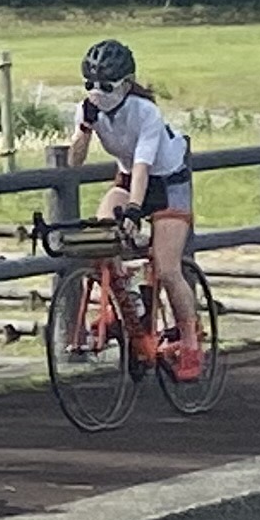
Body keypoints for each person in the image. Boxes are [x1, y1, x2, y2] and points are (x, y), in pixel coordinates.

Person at [63, 39, 205, 375]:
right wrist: (84, 128)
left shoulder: (145, 113)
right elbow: (74, 162)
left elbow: (143, 167)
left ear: (126, 84)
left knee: (167, 268)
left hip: (167, 182)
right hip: (128, 177)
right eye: (89, 84)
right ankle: (129, 304)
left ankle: (190, 341)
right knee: (101, 235)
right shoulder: (88, 109)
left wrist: (133, 211)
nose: (97, 92)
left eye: (106, 86)